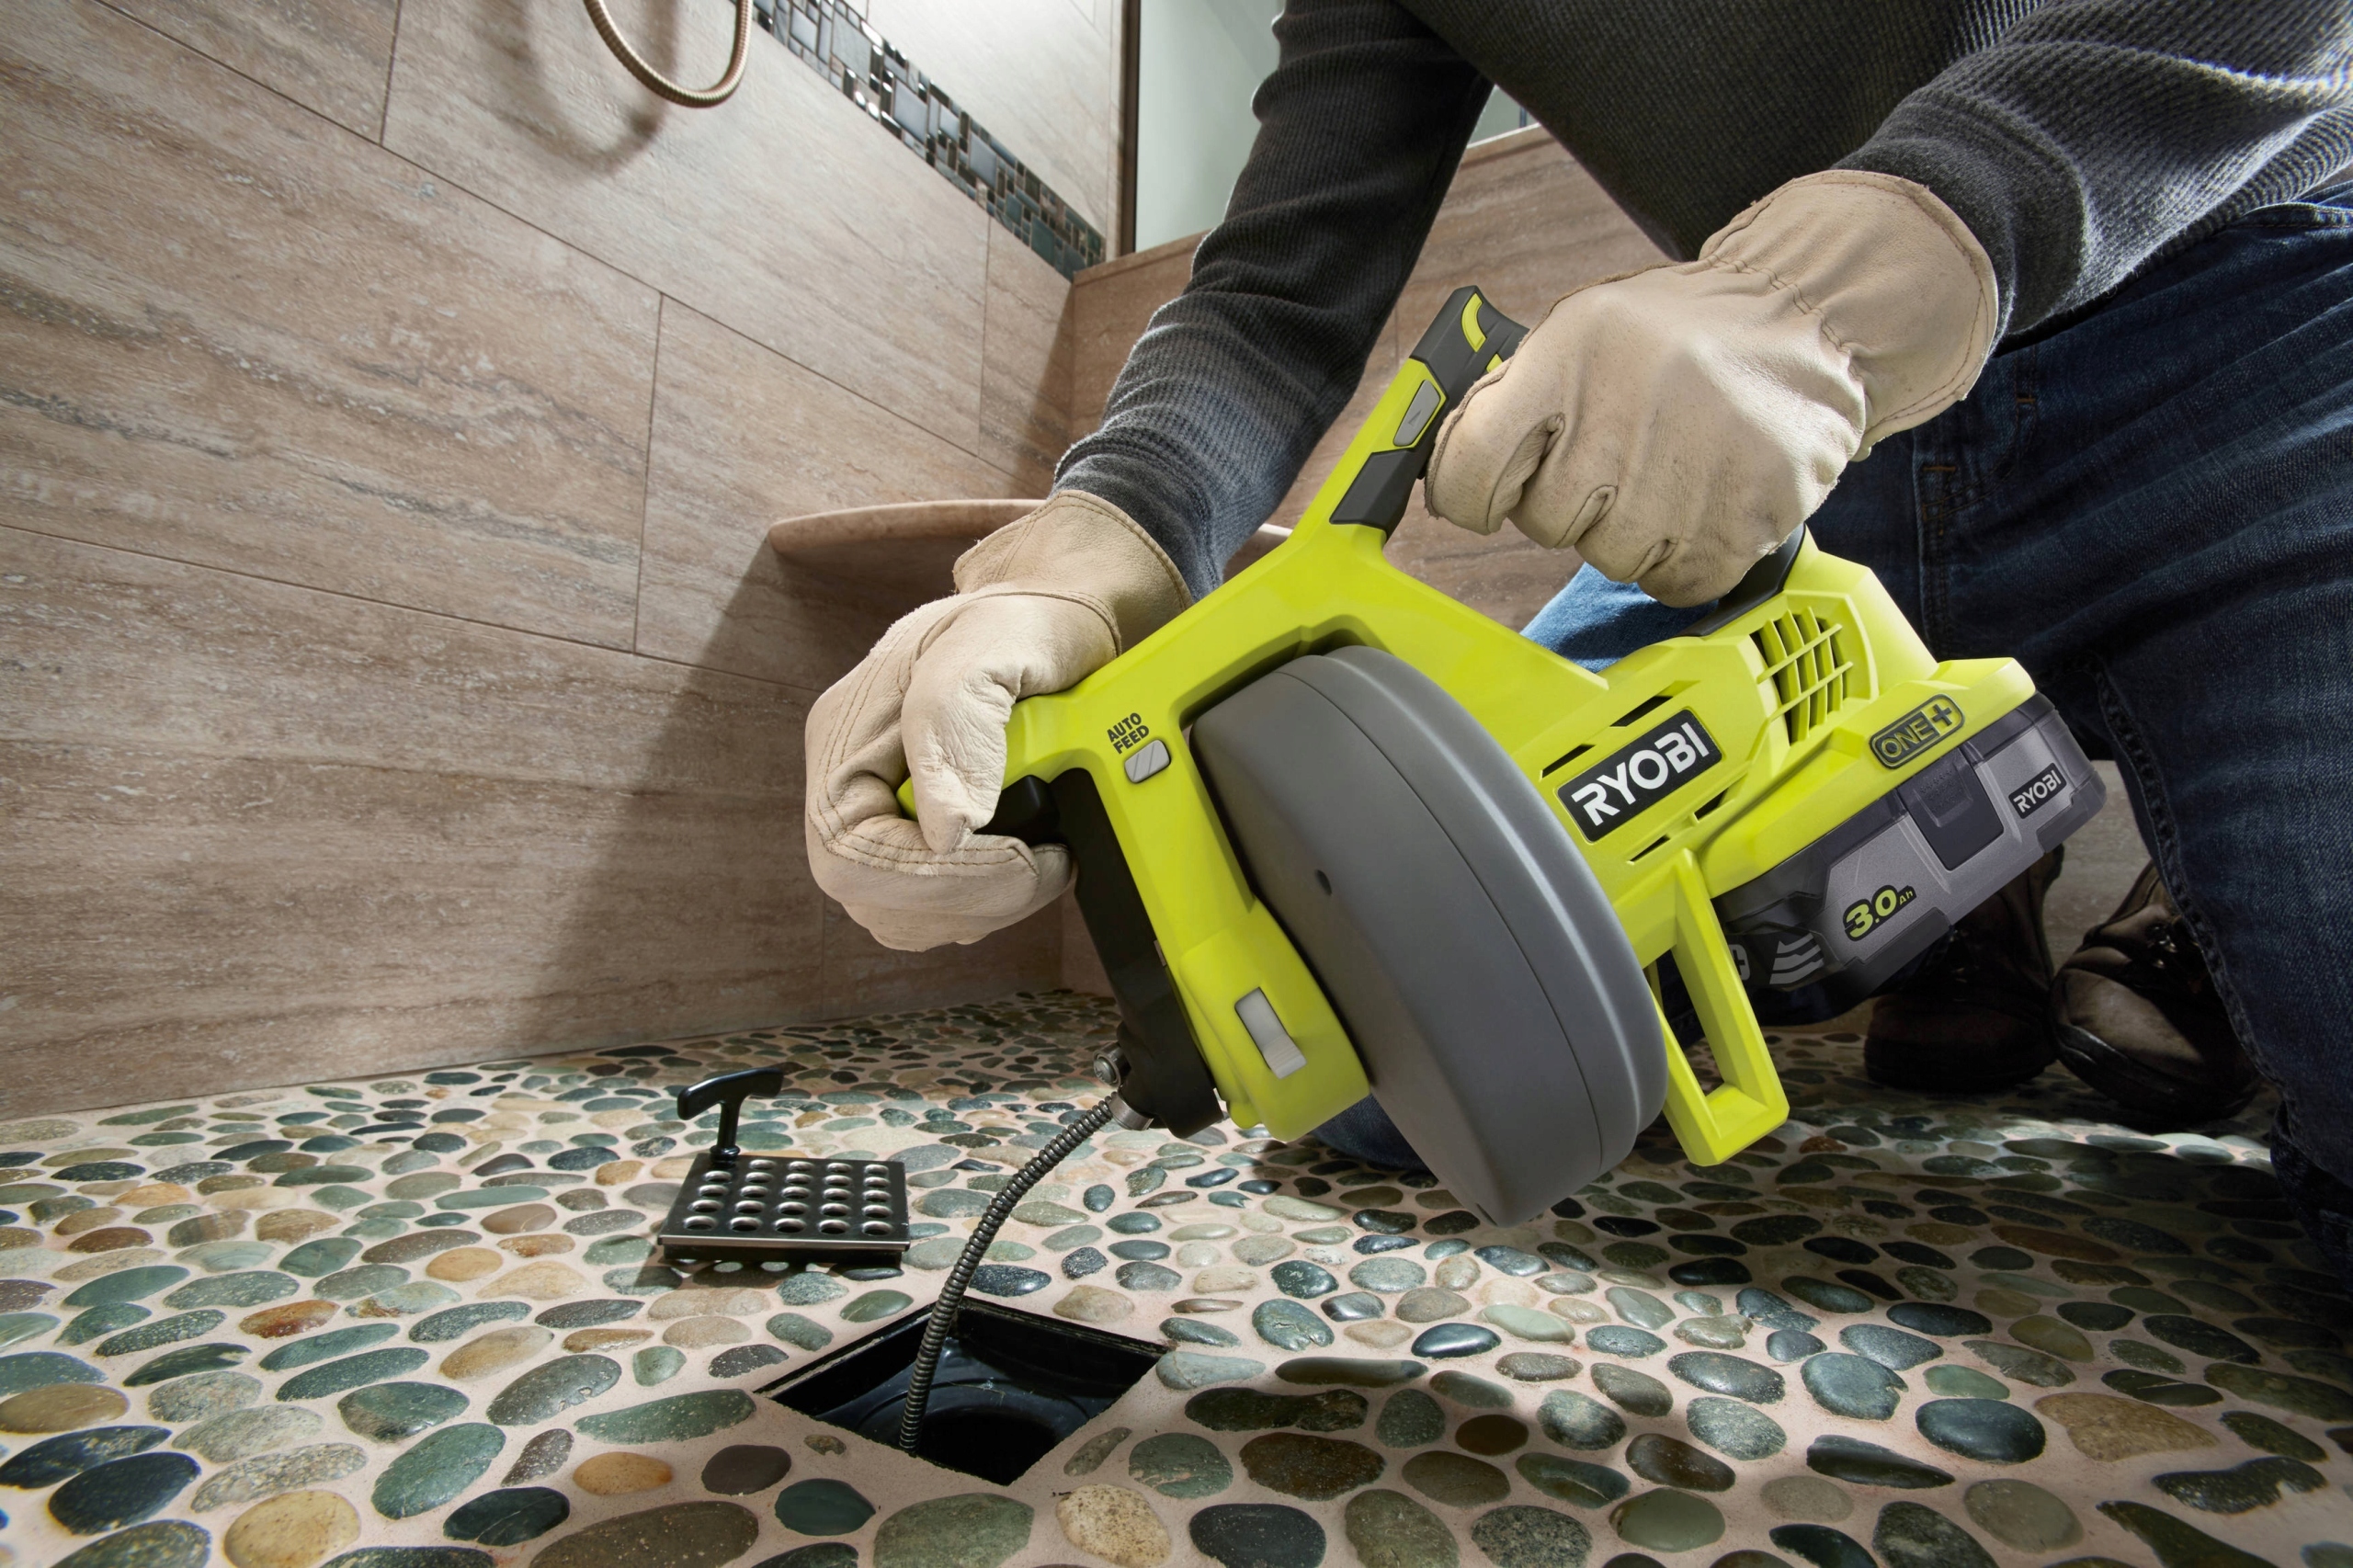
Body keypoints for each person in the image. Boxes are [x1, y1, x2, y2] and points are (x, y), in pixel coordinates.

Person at [804, 3, 2353, 1279]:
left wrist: (1856, 270)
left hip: (2258, 341)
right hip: (1815, 485)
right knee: (1376, 1089)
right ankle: (1957, 852)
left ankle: (2198, 897)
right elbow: (1274, 293)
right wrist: (1079, 563)